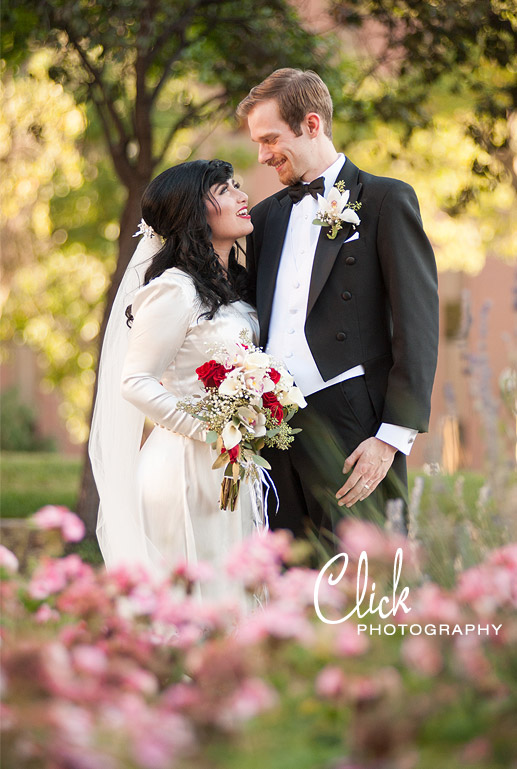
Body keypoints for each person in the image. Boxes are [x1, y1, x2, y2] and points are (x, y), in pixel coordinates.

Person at [237, 68, 439, 542]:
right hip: (276, 428)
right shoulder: (263, 218)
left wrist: (391, 438)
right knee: (288, 580)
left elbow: (418, 324)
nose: (262, 156)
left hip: (355, 426)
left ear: (311, 125)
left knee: (365, 582)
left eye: (270, 140)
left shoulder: (387, 199)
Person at [89, 159, 261, 601]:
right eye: (225, 191)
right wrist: (213, 428)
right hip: (182, 469)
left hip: (228, 468)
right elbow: (137, 381)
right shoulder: (174, 290)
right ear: (192, 212)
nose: (242, 197)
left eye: (237, 186)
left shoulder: (233, 286)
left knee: (229, 603)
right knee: (188, 610)